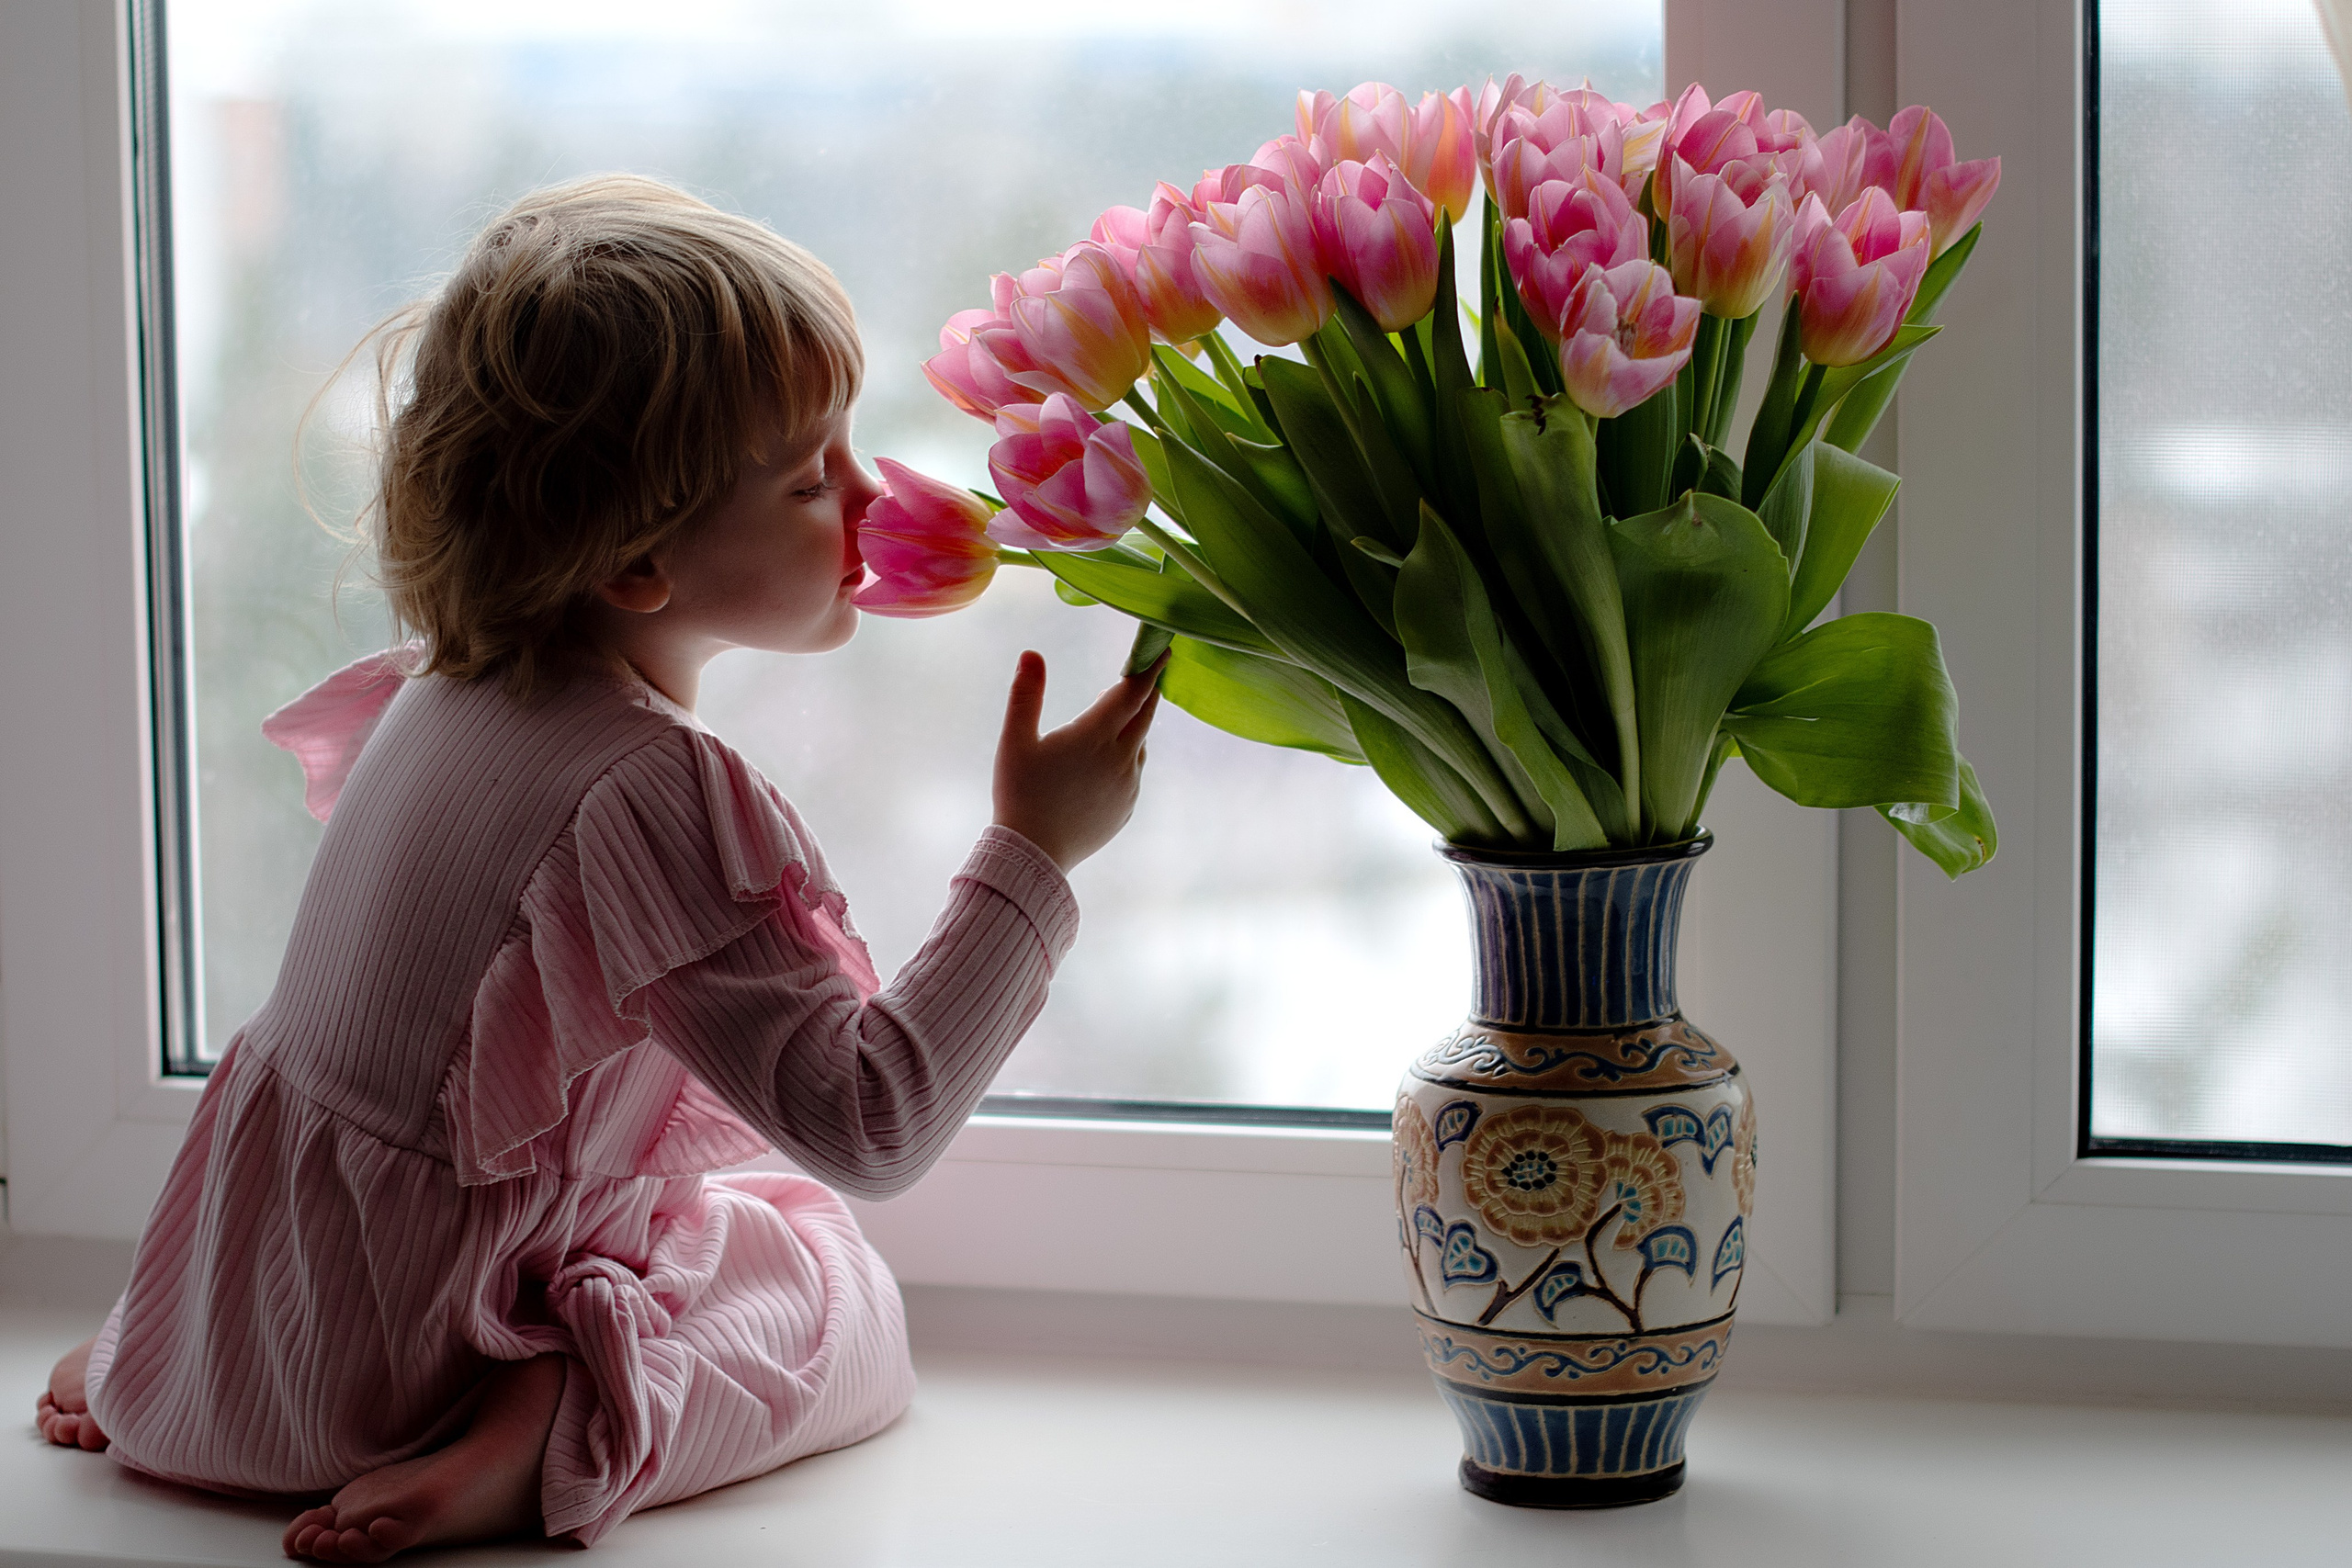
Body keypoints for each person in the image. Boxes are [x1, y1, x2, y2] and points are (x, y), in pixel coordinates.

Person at [30, 174, 1159, 1563]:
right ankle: (555, 1421)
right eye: (812, 478)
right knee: (834, 1292)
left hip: (247, 1329)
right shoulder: (646, 785)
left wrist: (199, 1346)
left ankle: (188, 1366)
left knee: (711, 1208)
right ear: (635, 564)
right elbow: (876, 1128)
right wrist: (1037, 850)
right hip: (392, 1384)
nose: (873, 497)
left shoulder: (446, 690)